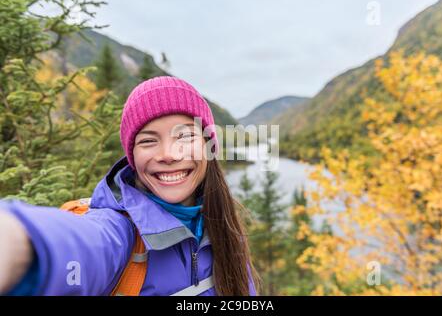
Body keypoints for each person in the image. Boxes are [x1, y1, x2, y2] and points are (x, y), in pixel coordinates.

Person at [0, 76, 259, 296]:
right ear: (132, 156)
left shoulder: (223, 226)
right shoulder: (120, 232)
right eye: (148, 140)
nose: (168, 154)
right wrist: (22, 245)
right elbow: (78, 245)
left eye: (185, 135)